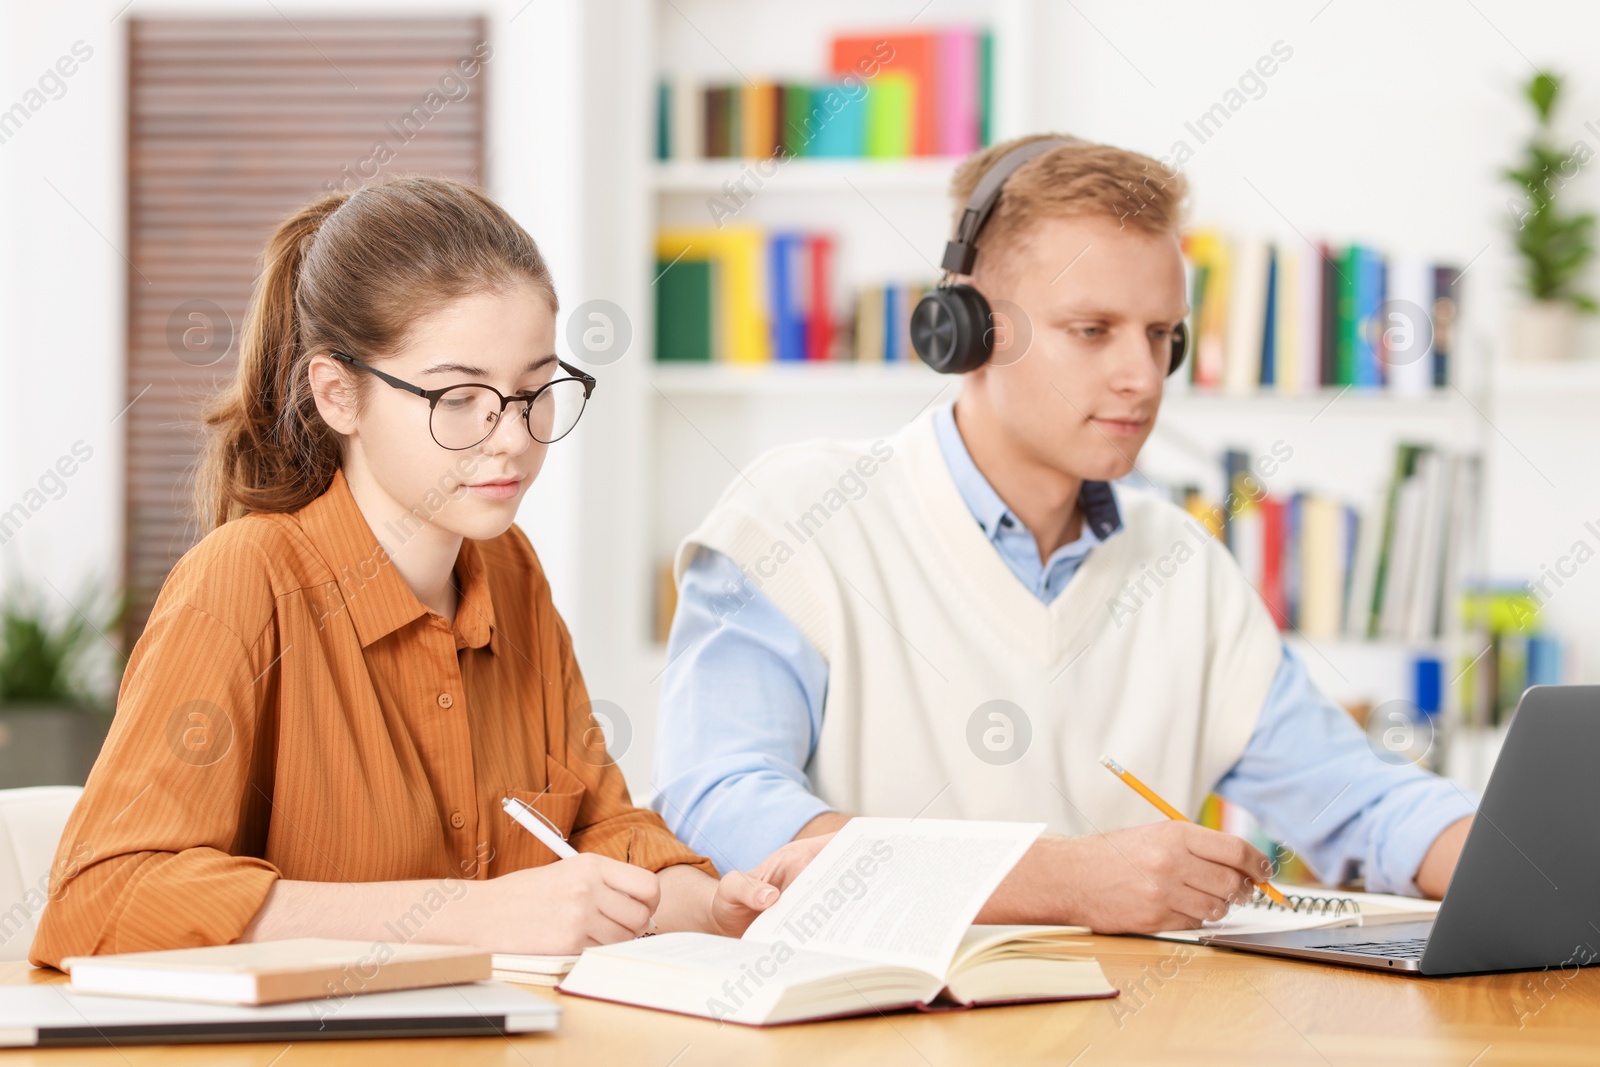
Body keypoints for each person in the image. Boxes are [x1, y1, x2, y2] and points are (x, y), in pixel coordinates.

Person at [652, 135, 1477, 933]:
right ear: (968, 328)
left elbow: (1360, 800)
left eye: (1162, 335)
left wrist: (1533, 864)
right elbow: (721, 805)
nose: (1142, 376)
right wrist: (1067, 882)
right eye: (1093, 330)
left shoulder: (1183, 565)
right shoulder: (799, 516)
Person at [31, 176, 818, 969]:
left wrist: (708, 903)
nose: (511, 436)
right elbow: (104, 901)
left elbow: (600, 830)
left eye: (534, 390)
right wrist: (468, 915)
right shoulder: (244, 579)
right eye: (459, 396)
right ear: (340, 394)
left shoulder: (508, 571)